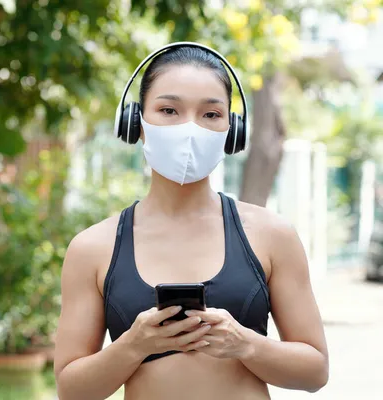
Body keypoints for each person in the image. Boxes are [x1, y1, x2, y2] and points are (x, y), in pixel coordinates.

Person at [53, 42, 329, 400]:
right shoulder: (92, 248)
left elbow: (315, 371)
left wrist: (244, 343)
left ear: (233, 130)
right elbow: (71, 390)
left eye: (210, 114)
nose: (190, 129)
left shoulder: (272, 235)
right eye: (169, 110)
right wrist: (134, 346)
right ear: (135, 122)